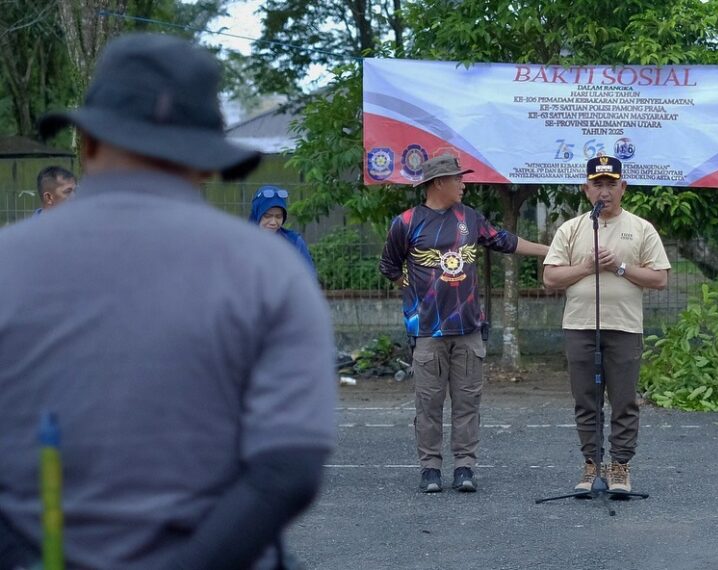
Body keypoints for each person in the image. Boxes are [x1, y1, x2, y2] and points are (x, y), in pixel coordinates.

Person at [0, 34, 337, 569]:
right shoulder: (271, 271)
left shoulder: (8, 263)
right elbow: (289, 469)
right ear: (205, 162)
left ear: (86, 144)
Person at [379, 154, 549, 494]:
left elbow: (506, 241)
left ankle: (464, 467)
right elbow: (390, 266)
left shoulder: (469, 218)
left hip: (469, 331)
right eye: (458, 179)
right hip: (427, 332)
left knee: (468, 402)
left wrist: (552, 250)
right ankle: (430, 469)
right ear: (439, 182)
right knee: (428, 403)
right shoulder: (407, 222)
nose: (464, 184)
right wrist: (417, 297)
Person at [542, 155, 670, 493]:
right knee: (586, 399)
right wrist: (586, 267)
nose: (604, 191)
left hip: (625, 328)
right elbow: (551, 278)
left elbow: (659, 279)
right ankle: (592, 465)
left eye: (611, 184)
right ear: (586, 190)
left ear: (623, 187)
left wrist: (621, 267)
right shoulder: (570, 229)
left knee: (624, 399)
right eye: (597, 184)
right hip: (580, 326)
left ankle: (620, 467)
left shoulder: (642, 228)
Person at [249, 185, 317, 275]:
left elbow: (309, 278)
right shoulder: (240, 242)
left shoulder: (294, 242)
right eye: (267, 216)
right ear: (257, 214)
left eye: (278, 216)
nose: (273, 222)